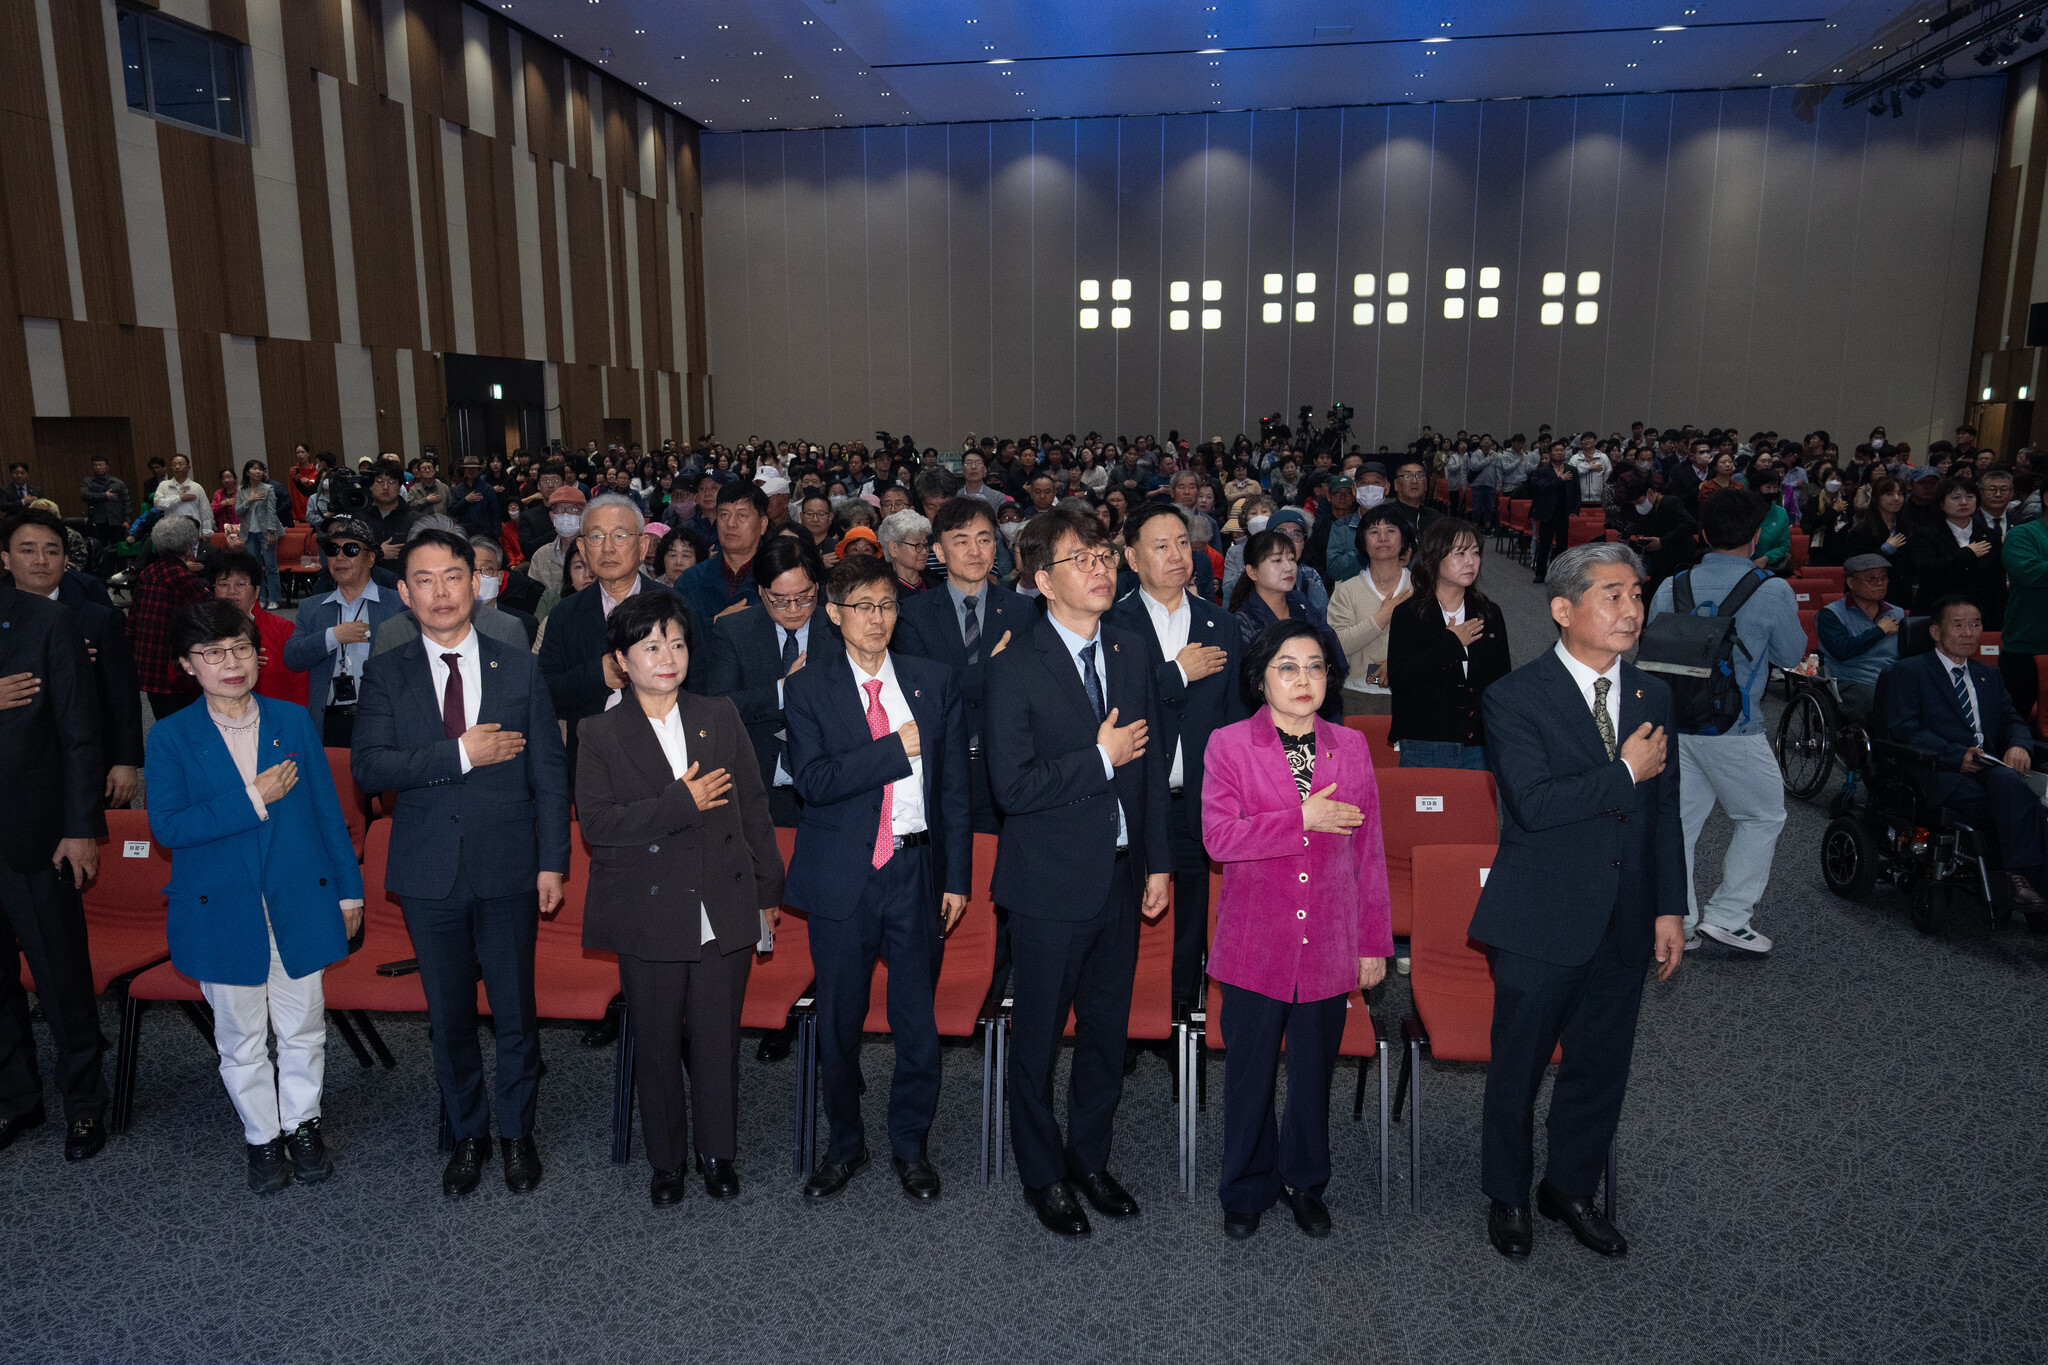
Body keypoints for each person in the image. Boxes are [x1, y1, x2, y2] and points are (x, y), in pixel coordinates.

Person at [1474, 541, 1685, 1262]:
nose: (1632, 609)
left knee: (1600, 1066)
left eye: (1637, 594)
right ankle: (1507, 1192)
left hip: (1626, 914)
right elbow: (1534, 804)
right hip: (1541, 914)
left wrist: (1668, 907)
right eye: (1612, 595)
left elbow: (1665, 811)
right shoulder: (1514, 696)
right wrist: (1624, 772)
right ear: (1564, 609)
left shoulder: (1653, 695)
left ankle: (1568, 1187)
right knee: (1519, 1067)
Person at [351, 529, 571, 1197]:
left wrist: (553, 861)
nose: (441, 591)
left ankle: (517, 1132)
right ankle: (468, 1131)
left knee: (514, 1010)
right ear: (404, 592)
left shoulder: (519, 665)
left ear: (477, 584)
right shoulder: (386, 671)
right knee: (448, 1017)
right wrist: (460, 754)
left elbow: (549, 773)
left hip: (509, 862)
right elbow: (370, 768)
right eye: (424, 579)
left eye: (454, 576)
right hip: (428, 870)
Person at [986, 507, 1173, 1238]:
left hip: (1121, 877)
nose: (1101, 570)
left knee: (1105, 1036)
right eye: (1081, 560)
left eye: (1105, 557)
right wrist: (1099, 757)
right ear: (1043, 580)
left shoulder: (1128, 647)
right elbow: (1012, 787)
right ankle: (1043, 1174)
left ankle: (1089, 1159)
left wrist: (1157, 861)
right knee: (1036, 1040)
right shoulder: (1014, 665)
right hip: (1047, 886)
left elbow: (1151, 767)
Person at [144, 600, 363, 1194]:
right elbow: (169, 827)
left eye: (241, 648)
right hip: (221, 908)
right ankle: (262, 1136)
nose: (231, 663)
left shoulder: (291, 721)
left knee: (303, 1027)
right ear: (187, 665)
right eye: (213, 653)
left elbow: (327, 812)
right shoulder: (170, 737)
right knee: (240, 1037)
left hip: (299, 898)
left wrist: (349, 891)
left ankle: (302, 1124)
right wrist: (253, 798)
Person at [575, 591, 784, 1205]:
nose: (667, 657)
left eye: (676, 643)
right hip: (649, 908)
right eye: (650, 646)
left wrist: (768, 889)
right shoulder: (599, 732)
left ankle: (717, 1152)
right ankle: (666, 1162)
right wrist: (678, 804)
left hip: (722, 898)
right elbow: (598, 824)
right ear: (622, 660)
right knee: (658, 1040)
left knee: (717, 1039)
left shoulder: (718, 713)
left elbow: (753, 807)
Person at [782, 554, 971, 1202]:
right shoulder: (808, 687)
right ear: (834, 614)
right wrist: (895, 749)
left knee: (916, 1021)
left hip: (916, 870)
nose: (877, 618)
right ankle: (845, 1144)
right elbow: (814, 781)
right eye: (863, 606)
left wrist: (957, 877)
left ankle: (911, 1145)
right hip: (844, 875)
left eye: (888, 605)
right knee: (840, 1020)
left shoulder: (931, 680)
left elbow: (955, 787)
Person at [1200, 619, 1390, 1240]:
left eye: (1315, 666)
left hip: (1329, 940)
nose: (1303, 679)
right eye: (1287, 667)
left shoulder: (1350, 745)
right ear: (1260, 680)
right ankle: (1245, 1187)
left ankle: (1305, 1182)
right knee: (1249, 1075)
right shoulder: (1229, 744)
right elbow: (1218, 839)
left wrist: (1372, 944)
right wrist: (1299, 818)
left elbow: (1369, 852)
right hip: (1254, 942)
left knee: (1312, 1076)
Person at [1646, 491, 1805, 953]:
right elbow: (1791, 655)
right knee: (1762, 815)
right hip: (1735, 727)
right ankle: (1729, 916)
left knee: (1679, 824)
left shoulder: (1671, 584)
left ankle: (1680, 919)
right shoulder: (1771, 588)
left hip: (1674, 722)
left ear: (1701, 534)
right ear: (1755, 536)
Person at [1109, 502, 1244, 1009]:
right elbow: (1115, 710)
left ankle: (1181, 1018)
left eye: (1183, 543)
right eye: (1161, 545)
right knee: (1124, 917)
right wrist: (1177, 672)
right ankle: (1122, 1019)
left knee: (1190, 921)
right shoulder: (1110, 624)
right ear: (1132, 558)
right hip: (1132, 801)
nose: (1176, 555)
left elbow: (1234, 720)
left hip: (1199, 803)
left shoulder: (1220, 624)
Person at [0, 566, 109, 1163]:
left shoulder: (47, 621)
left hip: (37, 837)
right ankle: (17, 1099)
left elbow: (79, 732)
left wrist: (81, 827)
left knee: (60, 976)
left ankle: (85, 1102)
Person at [1885, 596, 2046, 910]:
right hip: (1940, 770)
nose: (1969, 633)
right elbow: (1904, 728)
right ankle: (2022, 877)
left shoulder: (1988, 675)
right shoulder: (1909, 672)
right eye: (1958, 625)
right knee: (2023, 802)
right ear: (1935, 632)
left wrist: (2018, 744)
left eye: (1975, 624)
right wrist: (1955, 755)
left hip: (1989, 767)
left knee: (2010, 788)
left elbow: (2012, 718)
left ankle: (2023, 877)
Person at [539, 493, 701, 784]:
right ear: (582, 548)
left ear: (642, 546)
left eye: (620, 536)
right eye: (596, 536)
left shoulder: (676, 608)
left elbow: (702, 686)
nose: (608, 547)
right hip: (594, 761)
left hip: (669, 755)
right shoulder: (565, 615)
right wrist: (597, 676)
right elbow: (545, 690)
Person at [892, 497, 1027, 841]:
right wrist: (996, 669)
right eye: (961, 541)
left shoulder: (1023, 611)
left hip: (1008, 767)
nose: (975, 551)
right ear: (938, 551)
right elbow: (928, 692)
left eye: (984, 539)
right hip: (944, 768)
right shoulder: (912, 614)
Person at [2, 509, 144, 806]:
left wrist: (125, 761)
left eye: (52, 551)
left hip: (87, 762)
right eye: (27, 550)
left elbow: (122, 694)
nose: (41, 560)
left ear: (65, 560)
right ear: (6, 558)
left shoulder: (98, 619)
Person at [698, 537, 831, 828]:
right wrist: (784, 690)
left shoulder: (839, 630)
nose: (793, 608)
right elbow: (719, 706)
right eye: (780, 600)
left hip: (827, 787)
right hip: (757, 788)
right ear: (761, 591)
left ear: (817, 587)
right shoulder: (735, 630)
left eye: (804, 597)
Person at [1387, 518, 1511, 770]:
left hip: (1478, 741)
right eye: (1460, 553)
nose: (1471, 562)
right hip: (1424, 741)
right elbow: (1400, 678)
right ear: (1434, 557)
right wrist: (1451, 643)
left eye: (1475, 553)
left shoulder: (1488, 613)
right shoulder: (1408, 614)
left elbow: (1501, 681)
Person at [282, 516, 405, 747]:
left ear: (370, 558)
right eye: (332, 550)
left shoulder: (398, 605)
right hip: (330, 721)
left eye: (350, 549)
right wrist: (332, 636)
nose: (340, 557)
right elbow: (292, 658)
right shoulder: (311, 608)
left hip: (383, 721)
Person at [1228, 530, 1347, 718]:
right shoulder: (1243, 621)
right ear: (1252, 572)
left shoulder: (1302, 604)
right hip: (1266, 717)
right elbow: (1242, 688)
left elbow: (1334, 656)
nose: (1288, 567)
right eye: (1277, 560)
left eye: (1291, 559)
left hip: (1316, 710)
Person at [1325, 506, 1413, 716]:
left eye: (1390, 530)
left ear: (1404, 539)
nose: (1382, 537)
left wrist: (1398, 665)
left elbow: (1434, 642)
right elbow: (1336, 645)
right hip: (1357, 695)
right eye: (1374, 532)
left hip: (1412, 692)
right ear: (1363, 542)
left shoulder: (1420, 587)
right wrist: (1380, 619)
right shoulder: (1346, 590)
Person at [130, 515, 215, 720]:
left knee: (164, 719)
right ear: (188, 545)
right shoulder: (182, 576)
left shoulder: (149, 571)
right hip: (170, 665)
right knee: (183, 721)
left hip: (147, 660)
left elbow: (133, 616)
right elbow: (212, 610)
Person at [1896, 477, 2003, 627]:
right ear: (1941, 503)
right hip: (1937, 614)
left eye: (1970, 497)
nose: (1964, 502)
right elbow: (1927, 571)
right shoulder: (1926, 535)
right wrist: (1966, 554)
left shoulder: (1990, 536)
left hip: (1981, 616)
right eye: (1956, 497)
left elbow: (1997, 582)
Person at [208, 550, 309, 707]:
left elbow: (301, 683)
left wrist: (294, 717)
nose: (232, 591)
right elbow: (180, 679)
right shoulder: (202, 629)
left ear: (257, 591)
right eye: (223, 584)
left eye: (241, 584)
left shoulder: (283, 629)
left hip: (273, 715)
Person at [1816, 554, 1906, 721]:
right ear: (1851, 583)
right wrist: (1878, 631)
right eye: (1871, 579)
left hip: (1890, 678)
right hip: (1850, 680)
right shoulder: (1830, 615)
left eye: (1883, 578)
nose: (1880, 583)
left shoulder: (1897, 613)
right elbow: (1842, 651)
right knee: (1877, 700)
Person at [677, 480, 770, 623]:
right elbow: (676, 631)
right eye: (724, 515)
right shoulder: (691, 579)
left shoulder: (777, 577)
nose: (731, 523)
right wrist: (717, 622)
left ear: (763, 524)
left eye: (742, 515)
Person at [1603, 470, 1698, 591]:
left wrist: (1662, 541)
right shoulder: (1650, 510)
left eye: (1639, 502)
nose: (1638, 506)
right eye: (1635, 504)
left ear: (1650, 492)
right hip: (1660, 563)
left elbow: (1689, 524)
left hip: (1679, 560)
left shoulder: (1670, 503)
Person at [1528, 441, 1581, 582]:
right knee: (1544, 544)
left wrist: (1576, 510)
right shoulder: (1543, 471)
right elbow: (1542, 488)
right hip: (1547, 513)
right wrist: (1560, 480)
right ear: (1550, 453)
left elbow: (1577, 492)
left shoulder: (1572, 470)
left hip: (1565, 513)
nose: (1560, 453)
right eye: (1556, 450)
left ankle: (1558, 573)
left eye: (1562, 450)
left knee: (1562, 545)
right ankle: (1541, 573)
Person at [235, 460, 285, 608]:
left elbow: (272, 512)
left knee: (270, 567)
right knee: (256, 568)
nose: (258, 472)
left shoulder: (268, 488)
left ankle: (274, 598)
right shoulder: (242, 489)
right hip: (249, 533)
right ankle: (261, 598)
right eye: (254, 469)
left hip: (265, 532)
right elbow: (238, 511)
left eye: (260, 469)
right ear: (247, 472)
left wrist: (271, 532)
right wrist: (249, 500)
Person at [358, 461, 414, 566]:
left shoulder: (414, 519)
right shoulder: (359, 519)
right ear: (370, 485)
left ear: (400, 487)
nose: (385, 487)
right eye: (379, 481)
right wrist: (378, 553)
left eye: (391, 482)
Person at [153, 454, 213, 533]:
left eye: (180, 464)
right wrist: (179, 498)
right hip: (172, 531)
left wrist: (207, 531)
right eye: (174, 464)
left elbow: (205, 511)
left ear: (188, 468)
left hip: (193, 531)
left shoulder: (196, 487)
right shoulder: (164, 485)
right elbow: (158, 504)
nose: (177, 467)